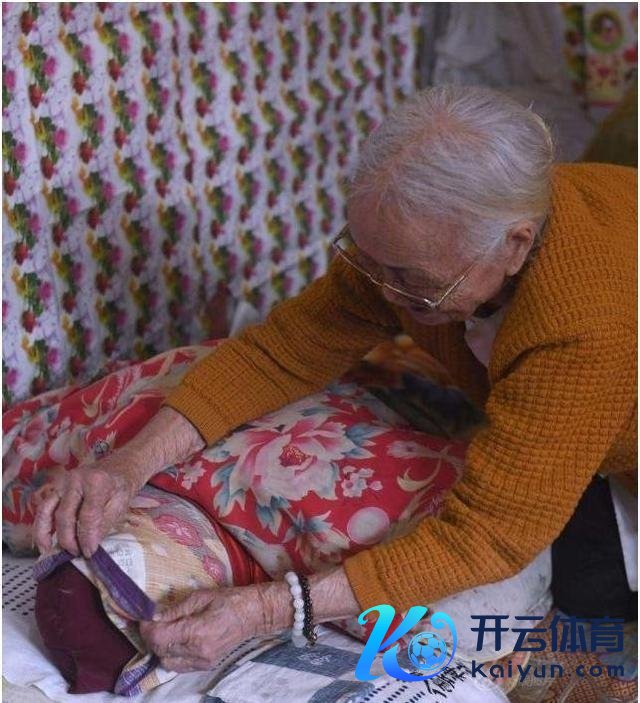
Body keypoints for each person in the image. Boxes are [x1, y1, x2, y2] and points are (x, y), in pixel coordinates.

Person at [34, 85, 637, 673]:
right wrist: (126, 466)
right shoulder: (416, 250)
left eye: (413, 280)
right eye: (368, 260)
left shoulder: (583, 323)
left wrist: (271, 608)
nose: (385, 291)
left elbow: (488, 535)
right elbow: (281, 353)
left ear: (515, 245)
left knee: (575, 597)